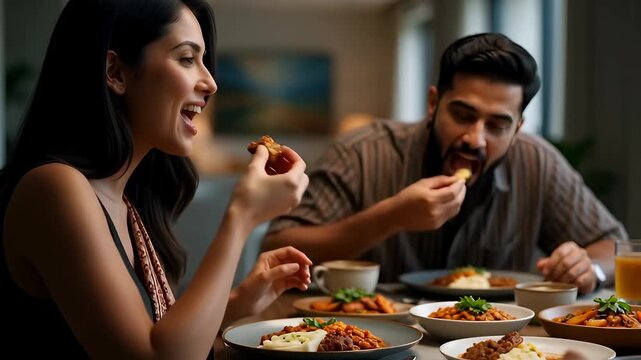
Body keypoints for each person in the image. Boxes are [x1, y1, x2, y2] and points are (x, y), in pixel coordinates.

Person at [0, 0, 311, 358]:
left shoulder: (124, 199)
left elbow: (156, 336)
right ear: (115, 72)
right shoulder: (54, 188)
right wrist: (242, 217)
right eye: (186, 58)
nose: (210, 82)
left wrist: (239, 302)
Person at [263, 33, 628, 295]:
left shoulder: (538, 162)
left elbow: (612, 244)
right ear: (433, 103)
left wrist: (588, 267)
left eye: (497, 125)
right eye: (462, 114)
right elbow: (278, 249)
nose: (475, 138)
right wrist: (390, 217)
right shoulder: (360, 153)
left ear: (517, 129)